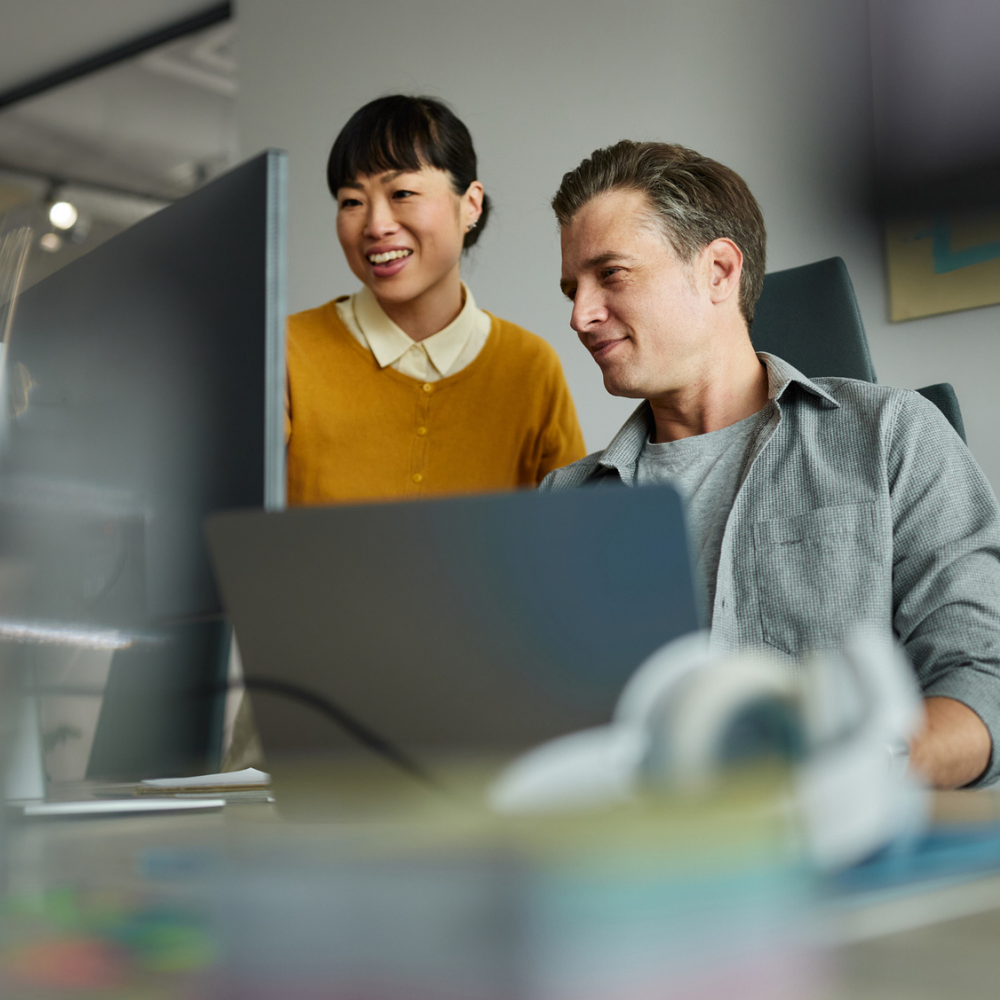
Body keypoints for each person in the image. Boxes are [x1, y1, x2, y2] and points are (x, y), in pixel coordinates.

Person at [540, 140, 1000, 790]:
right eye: (572, 287)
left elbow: (985, 676)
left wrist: (847, 782)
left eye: (610, 275)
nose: (580, 314)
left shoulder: (890, 437)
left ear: (720, 272)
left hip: (856, 865)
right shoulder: (566, 503)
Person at [285, 94, 586, 504]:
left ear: (471, 204)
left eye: (402, 193)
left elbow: (568, 544)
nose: (376, 225)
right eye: (352, 202)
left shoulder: (530, 369)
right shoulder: (284, 352)